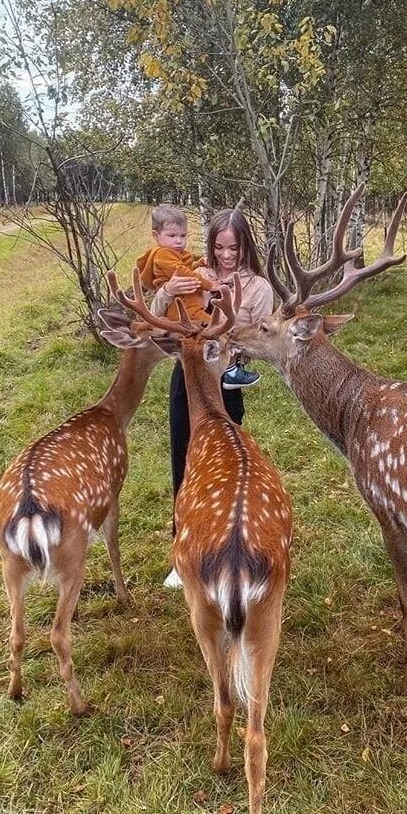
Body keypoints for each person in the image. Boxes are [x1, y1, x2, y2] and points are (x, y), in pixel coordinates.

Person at [151, 208, 274, 588]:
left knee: (225, 468)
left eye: (233, 248)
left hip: (226, 382)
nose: (225, 256)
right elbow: (160, 315)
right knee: (184, 461)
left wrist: (228, 339)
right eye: (219, 247)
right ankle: (181, 552)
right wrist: (166, 292)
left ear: (244, 246)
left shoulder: (259, 288)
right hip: (188, 377)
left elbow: (257, 340)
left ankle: (222, 548)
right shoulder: (196, 274)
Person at [135, 203, 212, 323]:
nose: (178, 241)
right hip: (182, 302)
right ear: (156, 235)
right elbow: (182, 272)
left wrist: (199, 263)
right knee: (209, 323)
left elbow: (186, 267)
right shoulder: (163, 254)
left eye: (183, 235)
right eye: (172, 235)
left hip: (188, 301)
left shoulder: (177, 254)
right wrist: (210, 285)